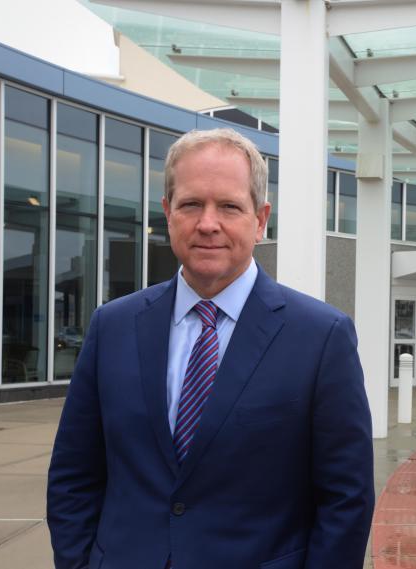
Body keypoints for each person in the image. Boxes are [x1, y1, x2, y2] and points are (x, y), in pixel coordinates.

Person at [47, 128, 374, 569]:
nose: (207, 223)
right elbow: (74, 474)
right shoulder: (114, 326)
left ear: (260, 219)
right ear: (168, 213)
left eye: (229, 206)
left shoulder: (321, 337)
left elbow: (346, 500)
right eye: (191, 204)